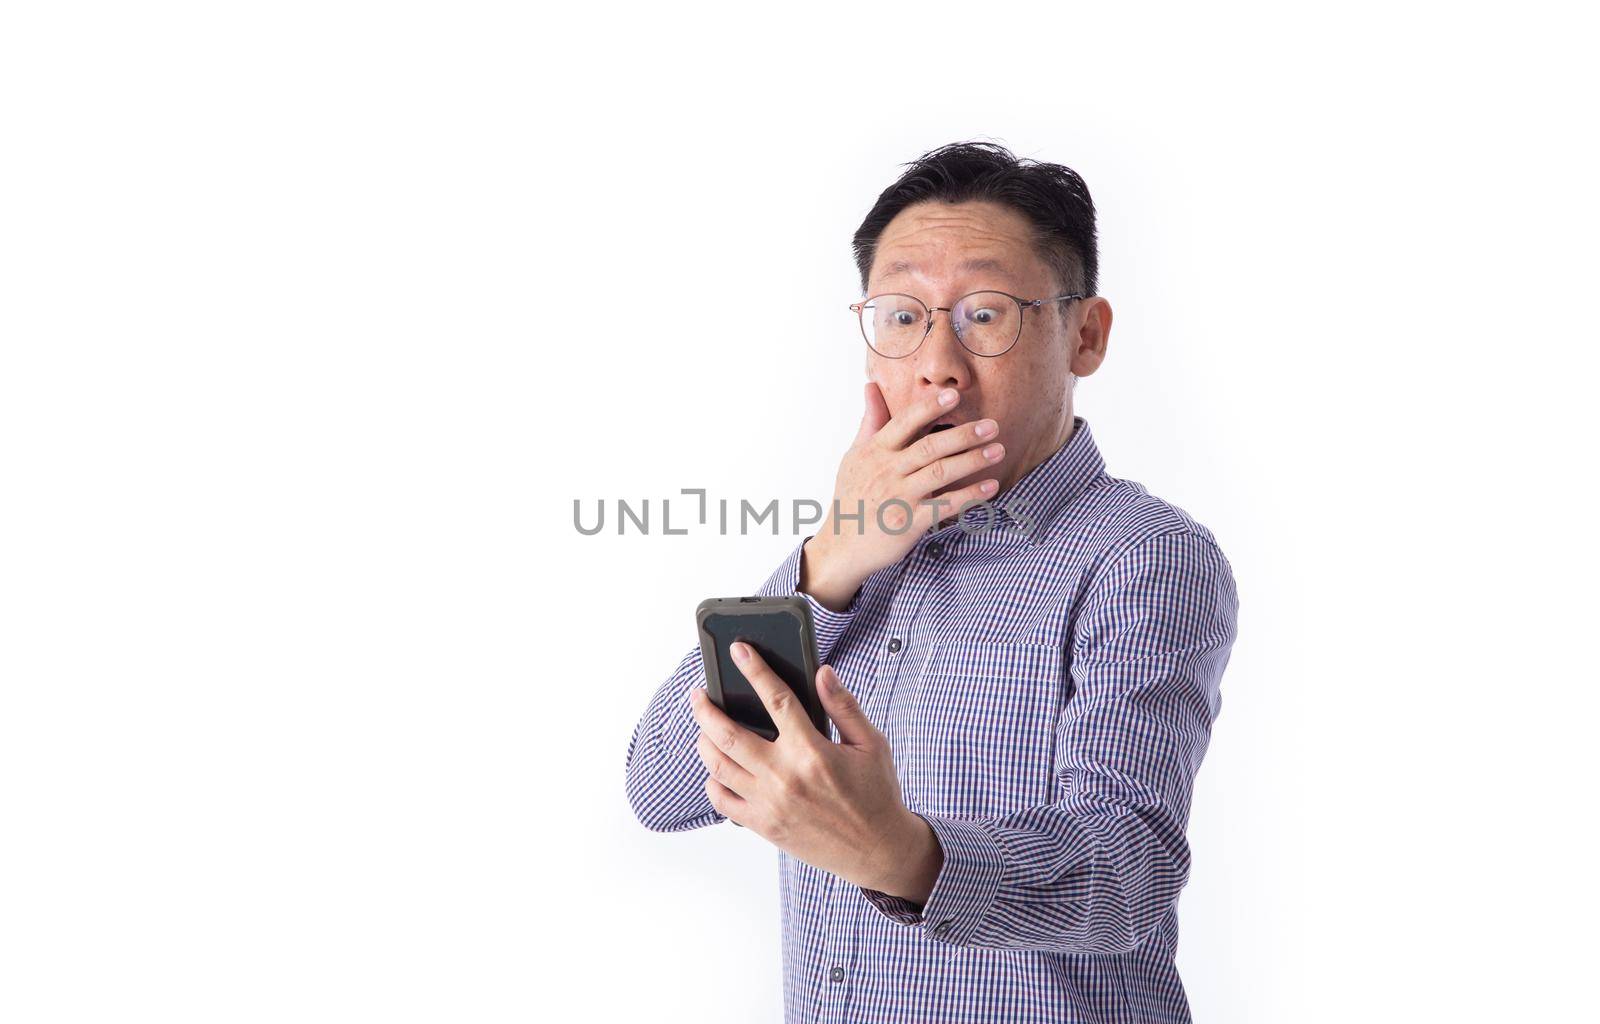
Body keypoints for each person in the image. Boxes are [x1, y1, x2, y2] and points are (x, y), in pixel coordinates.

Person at [623, 141, 1239, 1024]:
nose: (937, 364)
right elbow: (664, 788)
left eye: (986, 314)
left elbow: (1127, 876)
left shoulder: (1141, 556)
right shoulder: (851, 555)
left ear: (1087, 335)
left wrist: (904, 857)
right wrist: (830, 560)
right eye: (902, 315)